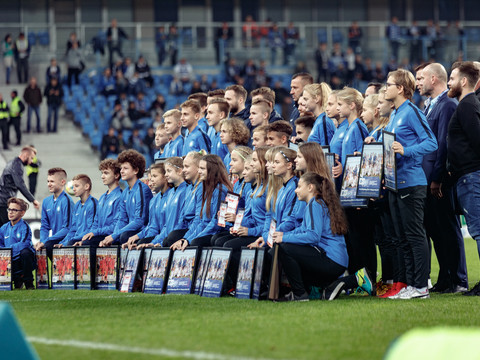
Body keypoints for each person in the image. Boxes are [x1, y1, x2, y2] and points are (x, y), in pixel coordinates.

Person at [377, 69, 437, 299]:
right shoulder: (394, 114)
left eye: (389, 84)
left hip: (411, 183)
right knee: (402, 237)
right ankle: (410, 285)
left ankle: (421, 286)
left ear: (400, 88)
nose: (385, 88)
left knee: (414, 235)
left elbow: (432, 142)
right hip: (395, 183)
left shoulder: (411, 111)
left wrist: (406, 150)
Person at [420, 63, 466, 293]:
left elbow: (442, 145)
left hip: (441, 180)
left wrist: (437, 178)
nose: (417, 82)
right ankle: (445, 278)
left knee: (448, 228)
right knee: (438, 231)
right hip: (430, 179)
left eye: (421, 78)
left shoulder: (447, 104)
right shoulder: (430, 106)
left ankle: (458, 279)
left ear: (434, 79)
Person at [273, 172, 349, 301]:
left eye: (299, 186)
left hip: (332, 261)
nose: (296, 190)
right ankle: (322, 287)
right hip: (335, 262)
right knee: (285, 247)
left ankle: (299, 294)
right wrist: (283, 235)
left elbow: (313, 236)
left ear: (310, 187)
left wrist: (284, 238)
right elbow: (303, 230)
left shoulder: (315, 204)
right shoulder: (315, 203)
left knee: (285, 248)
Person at [446, 61, 480, 296]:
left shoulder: (467, 105)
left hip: (471, 177)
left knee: (479, 231)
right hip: (468, 177)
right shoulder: (466, 104)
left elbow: (477, 140)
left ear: (464, 82)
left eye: (452, 77)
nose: (449, 82)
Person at [99, 150, 153, 247]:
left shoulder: (142, 189)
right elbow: (122, 219)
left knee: (123, 236)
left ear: (136, 170)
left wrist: (115, 235)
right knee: (113, 239)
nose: (121, 171)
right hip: (128, 231)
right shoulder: (125, 192)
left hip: (142, 231)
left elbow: (139, 221)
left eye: (125, 168)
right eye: (121, 168)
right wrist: (113, 236)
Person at [124, 163, 171, 250]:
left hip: (166, 237)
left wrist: (152, 242)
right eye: (150, 178)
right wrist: (140, 238)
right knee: (133, 241)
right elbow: (152, 227)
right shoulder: (154, 200)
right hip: (158, 236)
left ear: (165, 177)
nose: (151, 181)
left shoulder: (171, 196)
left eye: (154, 176)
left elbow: (169, 227)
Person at [76, 159, 122, 248]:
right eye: (102, 173)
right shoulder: (102, 197)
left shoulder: (120, 197)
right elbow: (95, 222)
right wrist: (89, 235)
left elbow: (116, 226)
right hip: (99, 235)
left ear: (116, 175)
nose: (102, 176)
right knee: (81, 243)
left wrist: (95, 233)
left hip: (111, 238)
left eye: (106, 173)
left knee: (86, 245)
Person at [35, 168, 74, 258]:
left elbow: (67, 228)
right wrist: (42, 241)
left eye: (52, 181)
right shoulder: (46, 201)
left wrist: (46, 241)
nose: (49, 184)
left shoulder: (67, 200)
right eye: (48, 181)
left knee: (48, 246)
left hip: (65, 240)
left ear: (62, 182)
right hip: (52, 240)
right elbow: (44, 226)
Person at [0, 197, 35, 289]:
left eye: (14, 210)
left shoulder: (25, 227)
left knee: (25, 252)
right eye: (9, 209)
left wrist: (8, 250)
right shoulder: (3, 228)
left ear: (22, 213)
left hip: (21, 259)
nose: (10, 212)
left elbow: (25, 243)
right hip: (8, 260)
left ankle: (29, 282)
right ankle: (16, 279)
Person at [55, 174, 98, 247]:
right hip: (75, 239)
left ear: (86, 187)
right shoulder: (77, 205)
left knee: (70, 244)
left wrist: (70, 241)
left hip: (86, 240)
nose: (73, 189)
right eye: (73, 186)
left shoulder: (92, 204)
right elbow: (73, 229)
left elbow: (91, 229)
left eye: (76, 186)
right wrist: (63, 242)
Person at [0, 147, 40, 226]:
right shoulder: (17, 165)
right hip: (3, 202)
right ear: (25, 155)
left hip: (2, 201)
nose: (31, 161)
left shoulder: (13, 162)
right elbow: (20, 184)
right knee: (9, 229)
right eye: (31, 158)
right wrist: (33, 200)